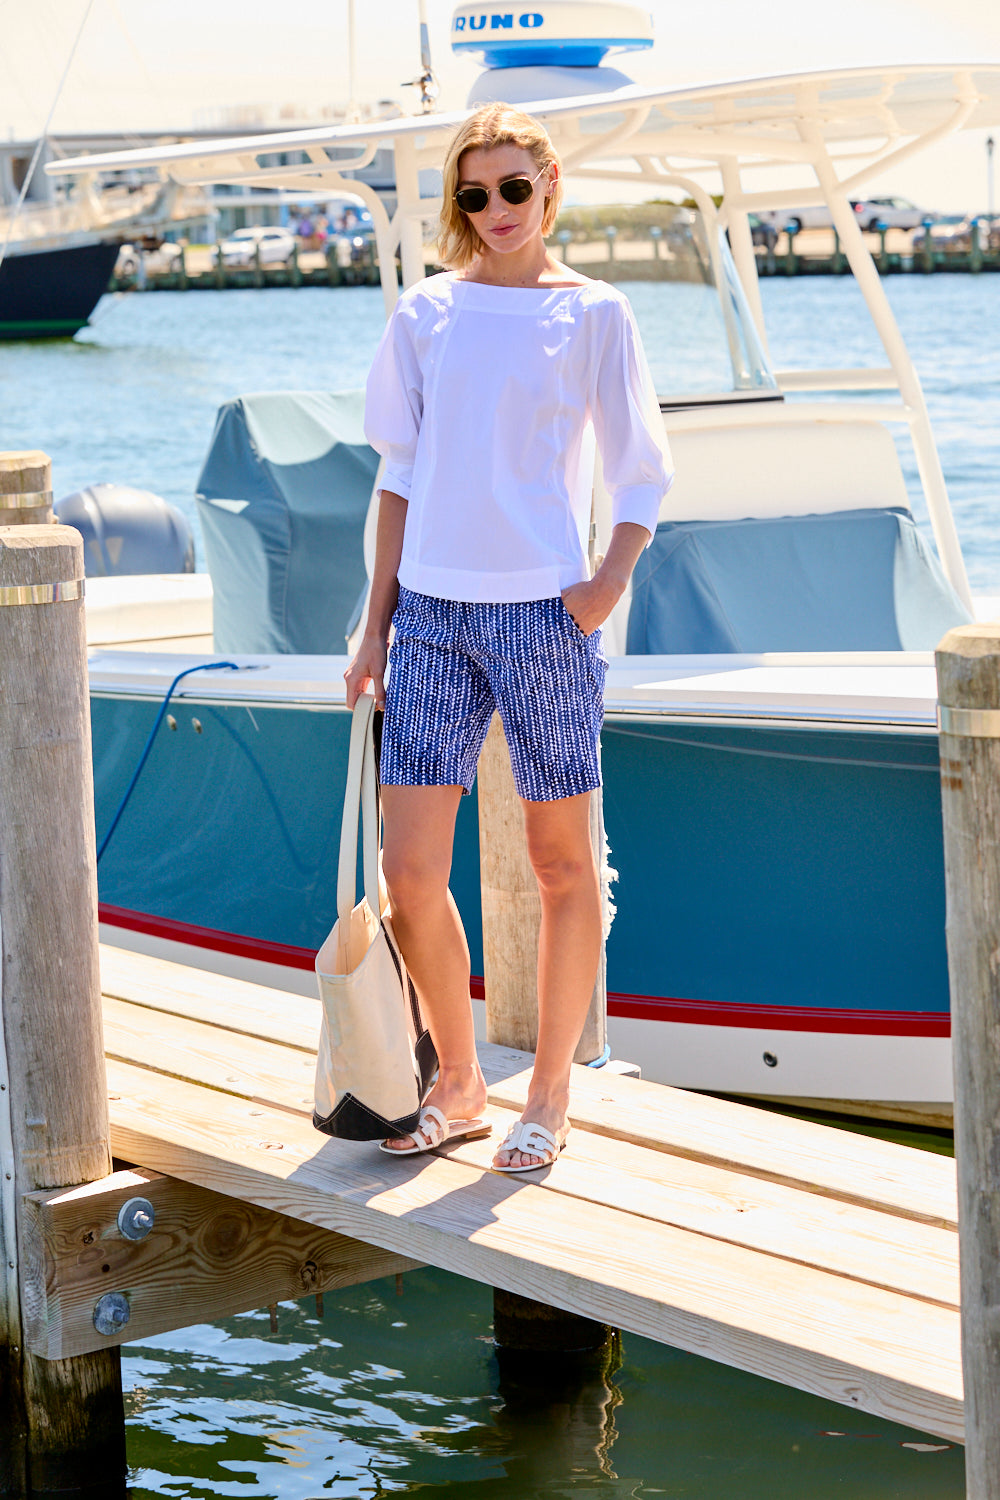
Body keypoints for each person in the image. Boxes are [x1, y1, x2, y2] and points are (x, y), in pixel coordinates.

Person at [344, 102, 673, 1172]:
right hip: (430, 617)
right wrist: (373, 625)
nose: (496, 209)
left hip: (547, 616)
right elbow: (398, 476)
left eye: (514, 189)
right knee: (408, 871)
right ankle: (458, 1081)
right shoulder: (426, 313)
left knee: (561, 864)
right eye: (474, 193)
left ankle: (551, 1095)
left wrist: (607, 582)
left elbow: (640, 472)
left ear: (550, 188)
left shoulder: (595, 314)